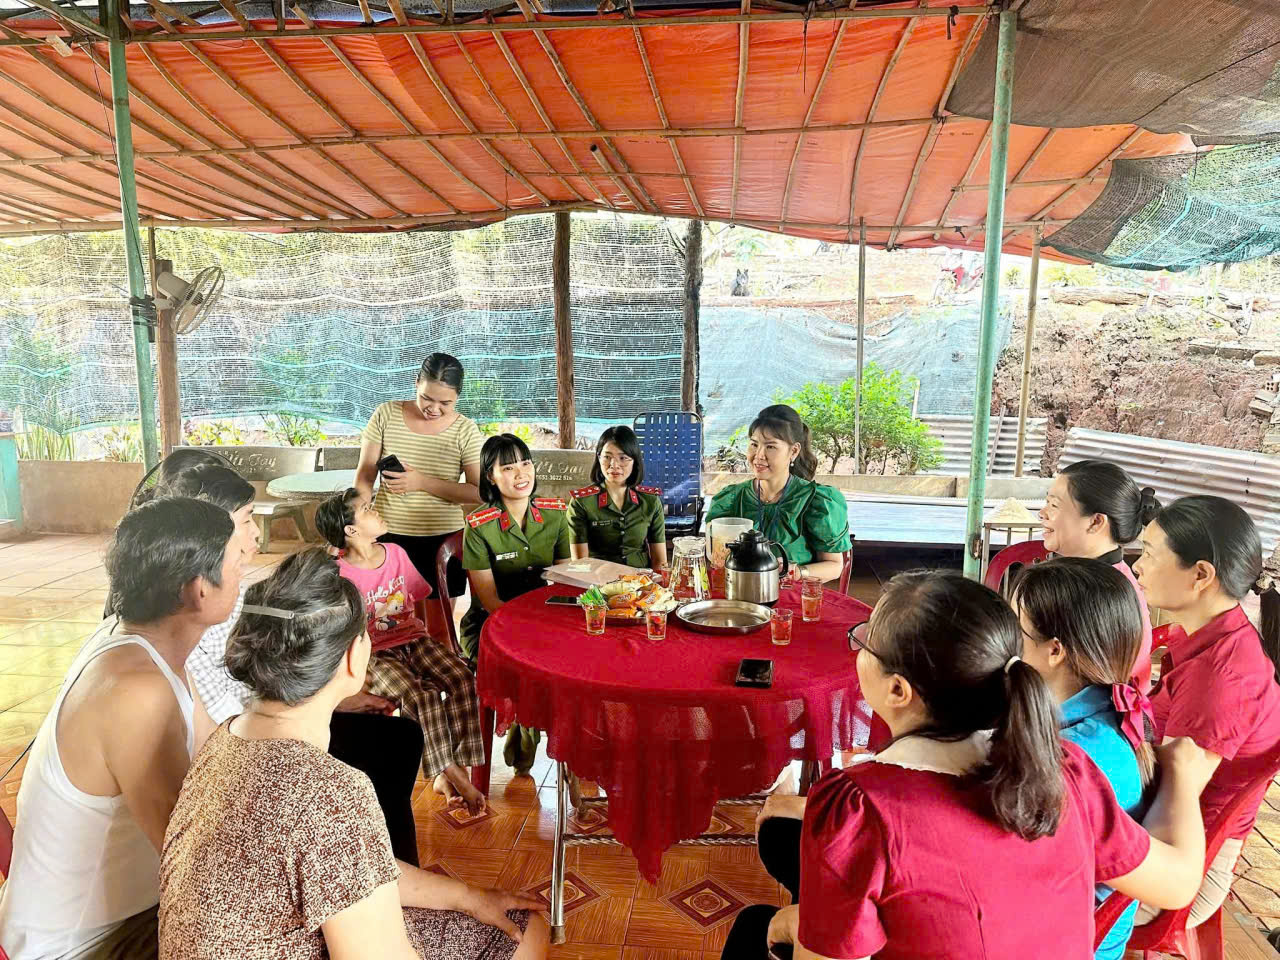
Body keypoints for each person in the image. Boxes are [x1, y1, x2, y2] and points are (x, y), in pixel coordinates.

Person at [725, 570, 1215, 960]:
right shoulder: (1065, 766)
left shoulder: (861, 808)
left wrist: (796, 926)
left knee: (754, 927)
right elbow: (1177, 884)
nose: (858, 649)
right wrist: (1184, 780)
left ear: (897, 690)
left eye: (866, 641)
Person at [158, 549, 549, 960]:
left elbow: (351, 868)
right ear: (351, 658)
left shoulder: (227, 737)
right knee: (524, 932)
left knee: (507, 919)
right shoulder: (330, 792)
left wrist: (467, 896)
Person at [0, 498, 242, 960]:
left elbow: (219, 750)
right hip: (81, 944)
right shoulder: (136, 690)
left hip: (122, 914)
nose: (242, 575)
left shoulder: (145, 647)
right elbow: (191, 860)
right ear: (199, 590)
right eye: (237, 565)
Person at [170, 459, 425, 865]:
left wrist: (337, 699)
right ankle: (377, 871)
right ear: (209, 532)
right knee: (374, 763)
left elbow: (260, 678)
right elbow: (225, 729)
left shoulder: (234, 593)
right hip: (251, 749)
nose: (256, 532)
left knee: (400, 739)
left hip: (265, 721)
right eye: (247, 519)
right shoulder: (195, 616)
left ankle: (397, 865)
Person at [1132, 495, 1280, 927]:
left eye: (1149, 554)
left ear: (1201, 575)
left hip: (1180, 870)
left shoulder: (1222, 676)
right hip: (1162, 834)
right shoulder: (1207, 636)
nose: (1138, 567)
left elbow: (1170, 815)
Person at [1014, 557, 1157, 960]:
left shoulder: (1074, 758)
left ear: (1054, 650)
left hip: (1067, 942)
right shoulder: (1106, 710)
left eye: (1017, 631)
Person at [317, 487, 488, 814]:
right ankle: (450, 772)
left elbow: (417, 600)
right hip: (374, 655)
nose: (376, 510)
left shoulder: (395, 553)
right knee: (420, 697)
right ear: (351, 531)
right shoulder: (338, 574)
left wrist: (429, 647)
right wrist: (354, 676)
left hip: (414, 640)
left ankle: (454, 771)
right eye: (367, 509)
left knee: (463, 678)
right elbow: (335, 633)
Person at [355, 353, 484, 645]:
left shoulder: (465, 430)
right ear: (416, 383)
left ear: (458, 396)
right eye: (427, 398)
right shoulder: (386, 414)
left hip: (442, 543)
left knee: (438, 633)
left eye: (445, 403)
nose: (434, 408)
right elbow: (364, 477)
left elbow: (478, 492)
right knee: (387, 629)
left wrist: (421, 482)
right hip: (388, 539)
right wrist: (354, 523)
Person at [461, 433, 571, 773]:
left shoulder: (554, 515)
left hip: (543, 617)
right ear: (490, 476)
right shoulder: (479, 527)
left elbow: (565, 580)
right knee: (531, 664)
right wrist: (531, 632)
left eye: (525, 463)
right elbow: (489, 599)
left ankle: (569, 742)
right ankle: (527, 731)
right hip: (491, 625)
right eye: (508, 468)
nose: (521, 473)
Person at [1040, 459, 1161, 687]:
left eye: (1054, 505)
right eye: (1046, 502)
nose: (1042, 513)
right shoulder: (1091, 577)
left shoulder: (1101, 593)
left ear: (1096, 522)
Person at [704, 404, 850, 583]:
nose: (759, 455)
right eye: (754, 444)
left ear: (793, 451)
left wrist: (798, 572)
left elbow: (834, 566)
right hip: (740, 592)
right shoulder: (731, 499)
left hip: (793, 594)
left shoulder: (816, 500)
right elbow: (716, 558)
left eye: (770, 447)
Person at [570, 425, 667, 572]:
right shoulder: (581, 502)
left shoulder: (650, 501)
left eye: (623, 458)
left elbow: (660, 561)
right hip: (597, 581)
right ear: (598, 458)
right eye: (607, 457)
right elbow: (580, 564)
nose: (614, 465)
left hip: (641, 581)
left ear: (634, 460)